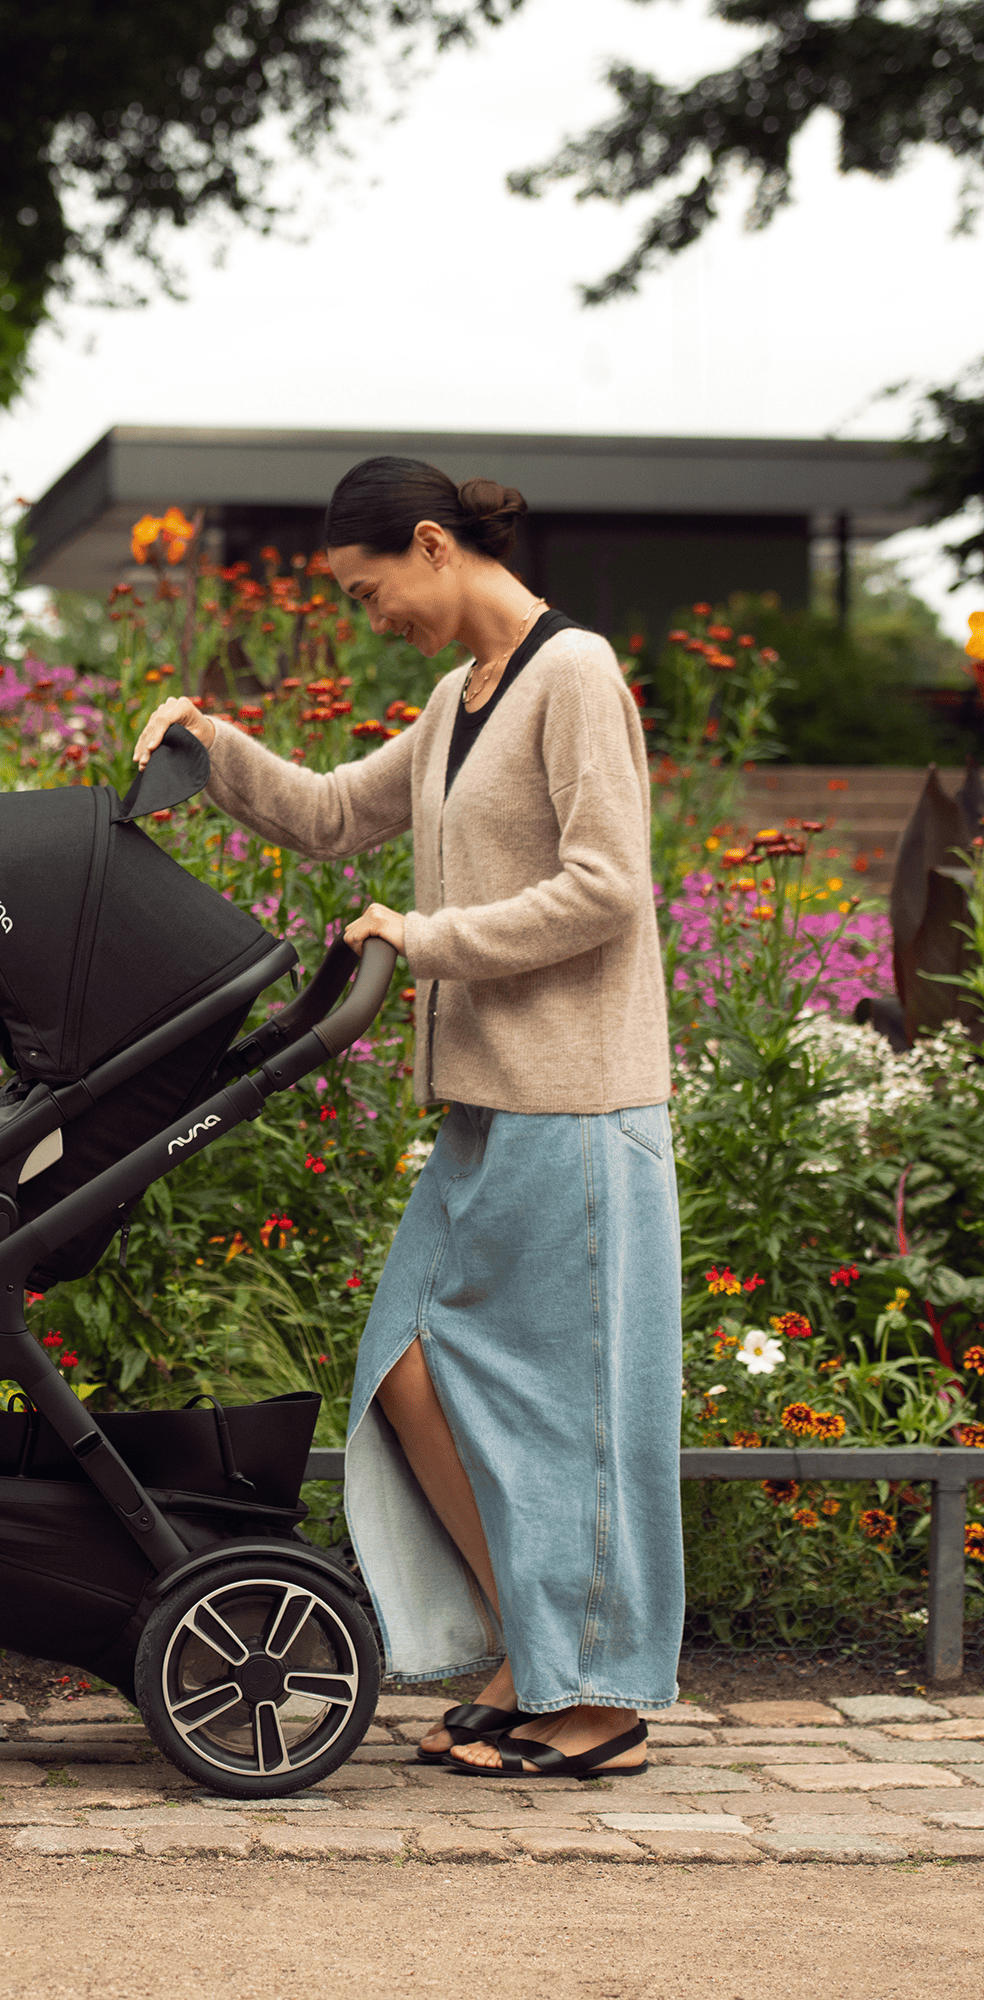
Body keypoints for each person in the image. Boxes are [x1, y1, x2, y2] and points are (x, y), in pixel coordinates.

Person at [131, 456, 681, 1779]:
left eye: (368, 588)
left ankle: (596, 1700)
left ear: (433, 546)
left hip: (579, 1103)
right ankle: (535, 1650)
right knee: (405, 1369)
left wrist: (426, 938)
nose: (365, 614)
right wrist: (212, 746)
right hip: (489, 1111)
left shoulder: (574, 675)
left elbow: (609, 885)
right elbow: (330, 818)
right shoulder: (456, 703)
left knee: (577, 1412)